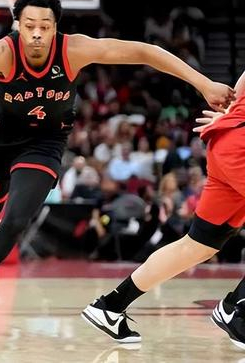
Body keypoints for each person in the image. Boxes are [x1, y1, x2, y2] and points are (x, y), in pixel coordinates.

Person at [0, 0, 235, 342]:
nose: (37, 33)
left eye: (45, 26)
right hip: (1, 141)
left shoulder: (73, 50)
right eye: (30, 26)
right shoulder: (0, 53)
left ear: (56, 28)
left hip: (44, 144)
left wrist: (203, 83)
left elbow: (145, 52)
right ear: (18, 26)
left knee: (15, 222)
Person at [81, 69, 245, 348]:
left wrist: (233, 115)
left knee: (198, 245)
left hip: (229, 139)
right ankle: (236, 310)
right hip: (238, 143)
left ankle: (110, 306)